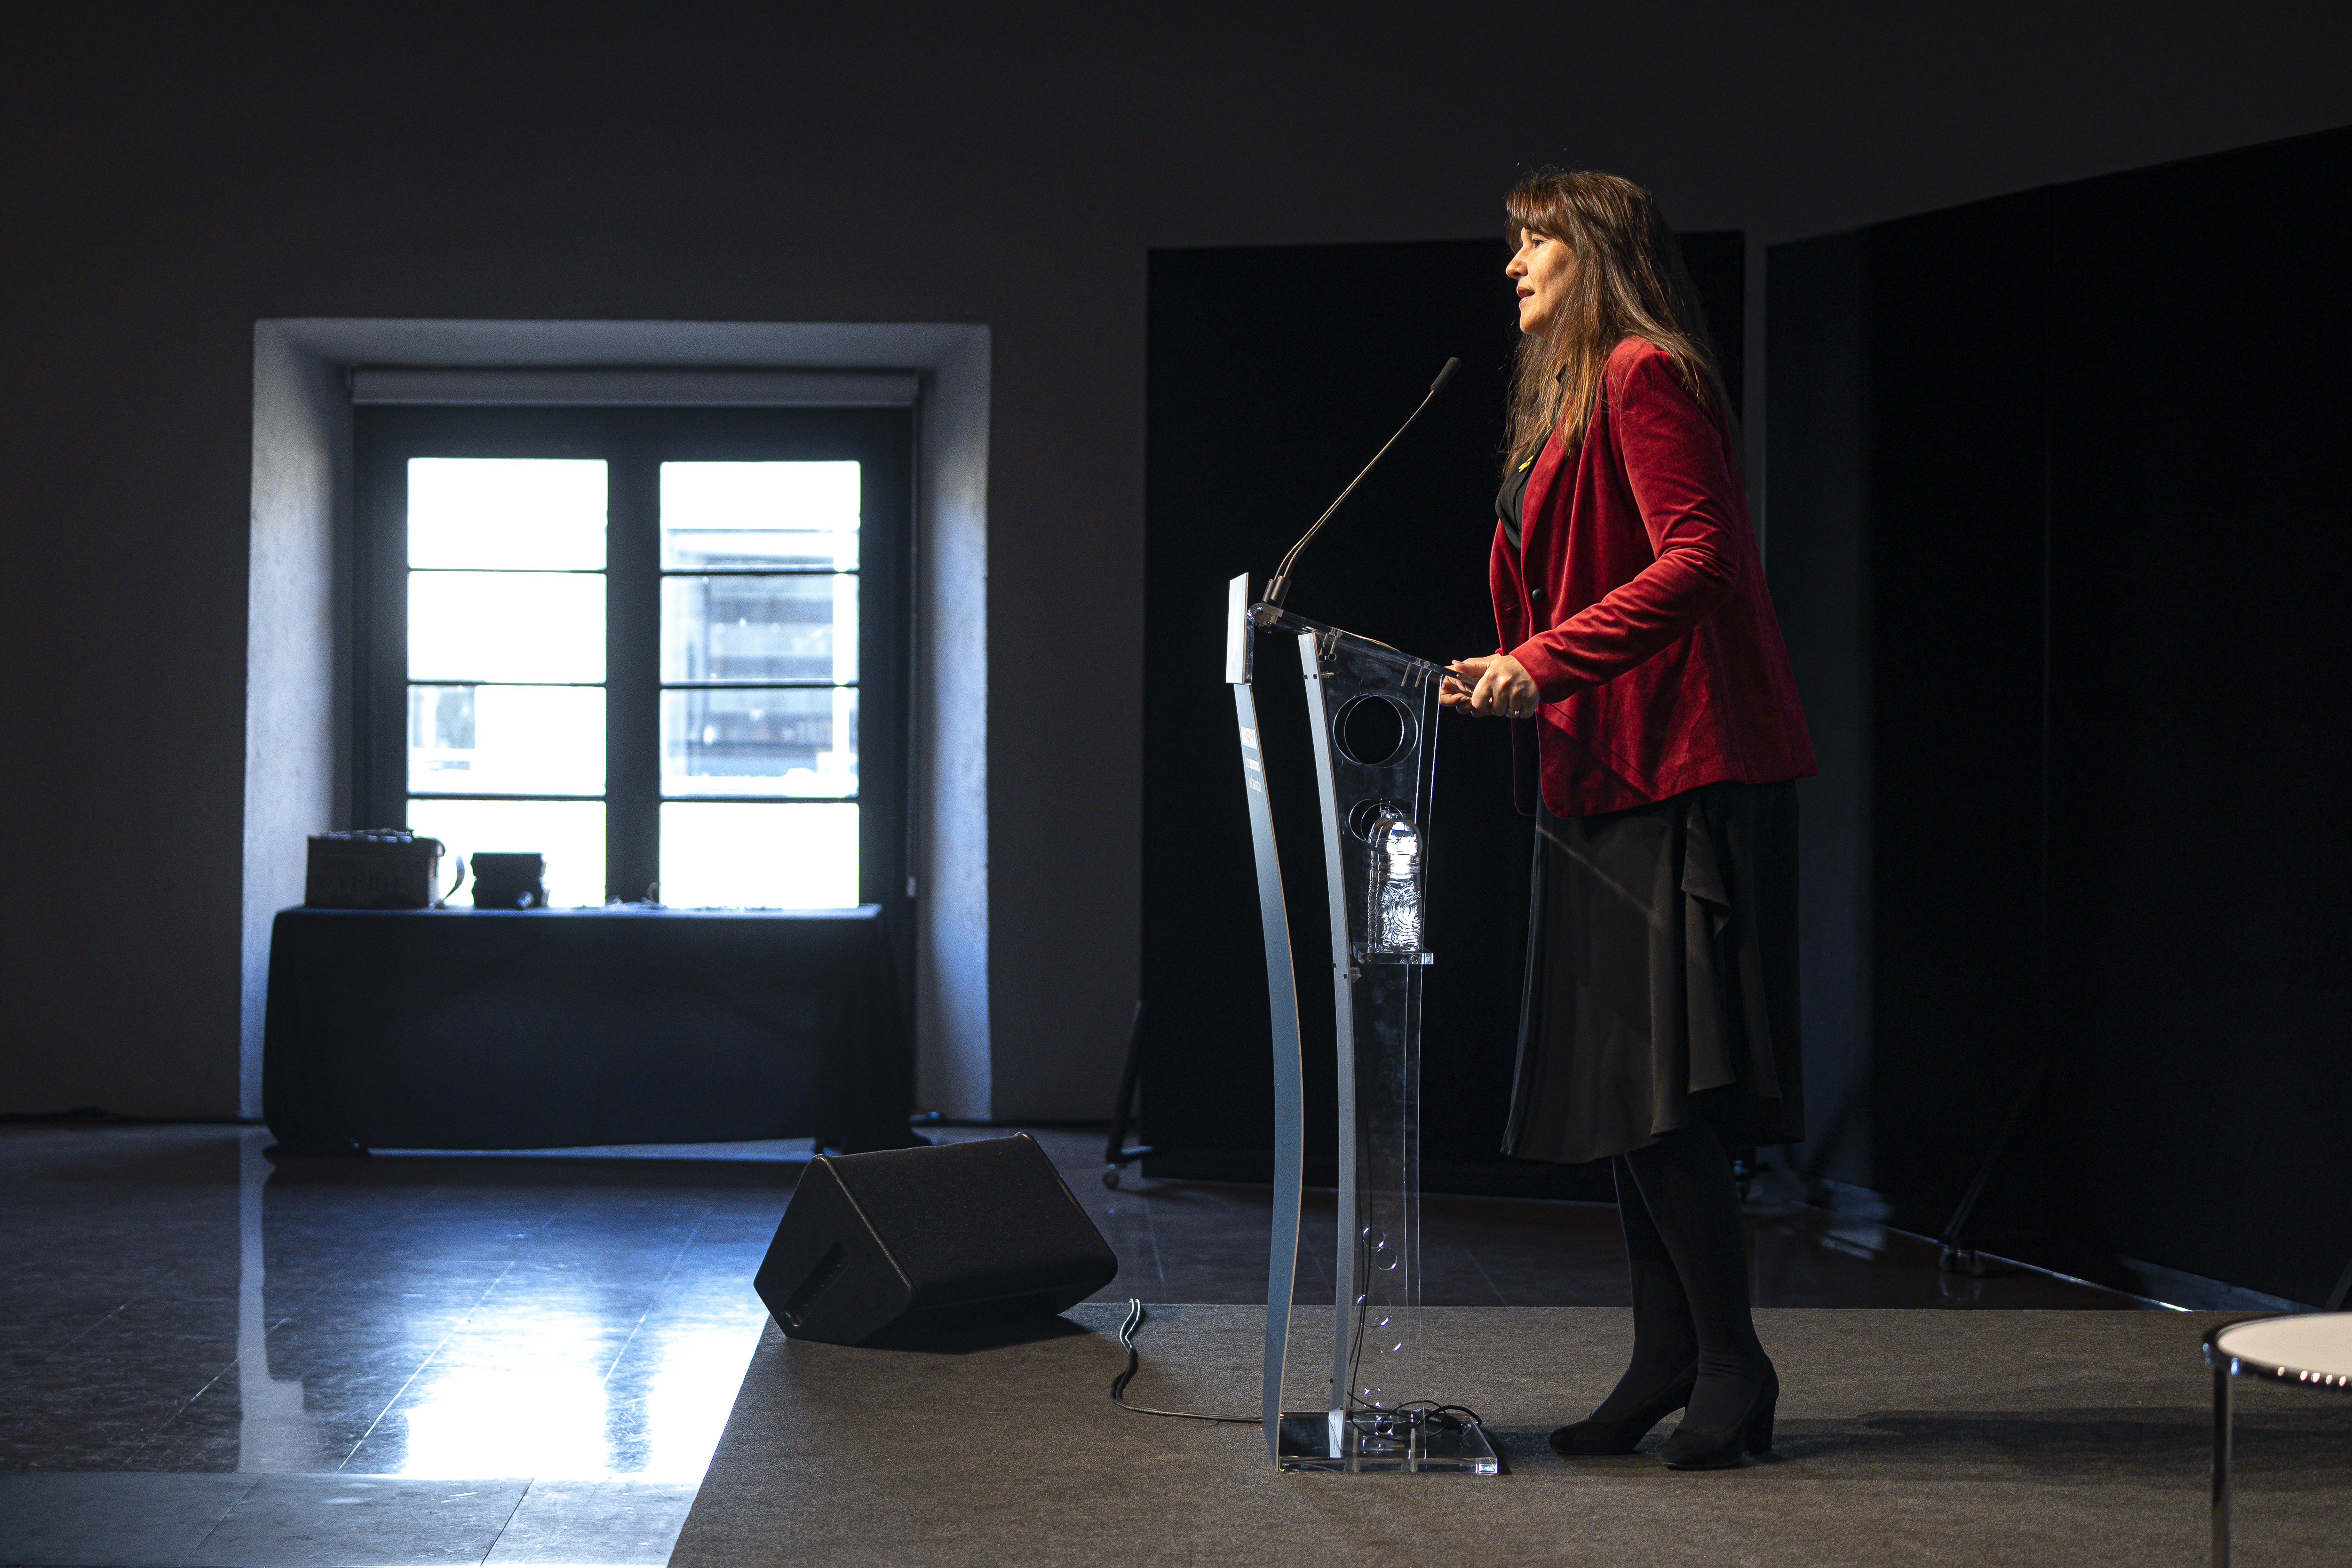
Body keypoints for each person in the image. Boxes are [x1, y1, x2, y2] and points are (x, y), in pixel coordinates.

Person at [1441, 169, 1816, 1471]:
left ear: (1593, 251)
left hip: (1666, 766)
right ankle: (1668, 1356)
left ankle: (1731, 1363)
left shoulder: (1648, 373)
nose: (1514, 266)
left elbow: (1703, 559)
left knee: (1659, 1093)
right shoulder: (1560, 404)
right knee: (1623, 1087)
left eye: (1533, 241)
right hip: (1592, 772)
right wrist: (1511, 672)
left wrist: (1542, 664)